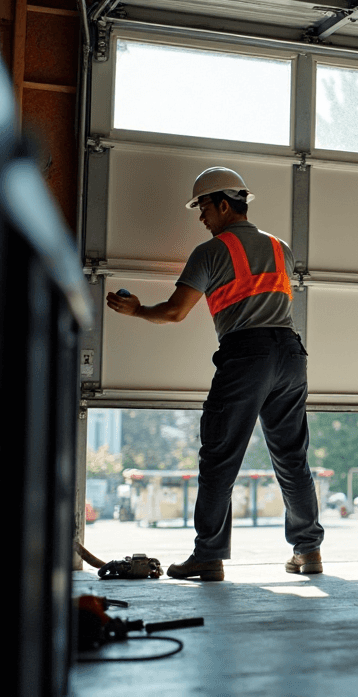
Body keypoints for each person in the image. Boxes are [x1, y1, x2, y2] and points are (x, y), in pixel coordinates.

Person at [106, 167, 323, 581]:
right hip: (290, 354)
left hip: (246, 354)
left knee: (219, 456)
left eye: (203, 207)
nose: (201, 217)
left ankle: (208, 555)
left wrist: (137, 310)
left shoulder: (210, 251)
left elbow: (175, 311)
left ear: (224, 205)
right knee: (292, 457)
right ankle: (308, 550)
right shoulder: (281, 248)